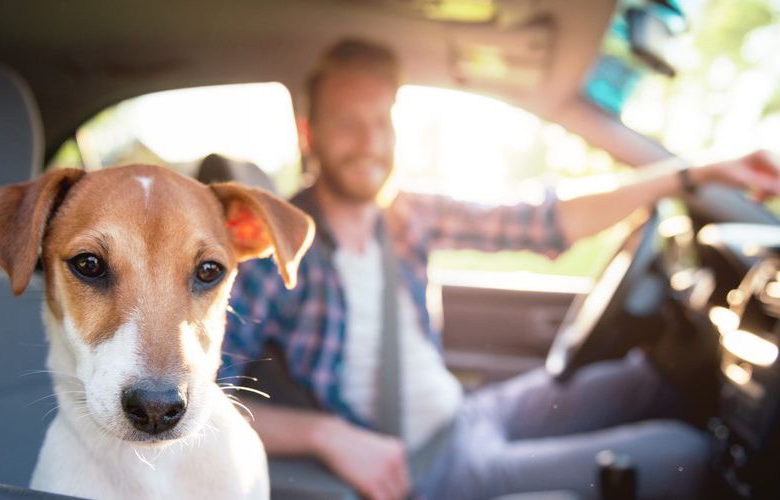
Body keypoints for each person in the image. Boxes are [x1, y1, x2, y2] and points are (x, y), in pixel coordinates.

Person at [219, 38, 780, 500]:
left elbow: (547, 221)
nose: (370, 143)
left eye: (382, 123)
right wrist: (325, 435)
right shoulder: (275, 251)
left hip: (468, 413)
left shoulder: (406, 215)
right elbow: (201, 402)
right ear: (308, 133)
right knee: (688, 453)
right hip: (431, 469)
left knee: (642, 379)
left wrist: (693, 175)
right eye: (347, 124)